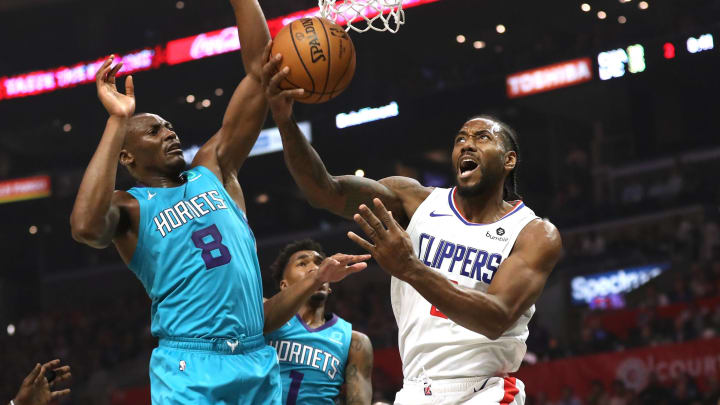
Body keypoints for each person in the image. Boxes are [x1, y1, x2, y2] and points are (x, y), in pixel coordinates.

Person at [69, 1, 369, 403]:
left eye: (170, 127)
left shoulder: (213, 170)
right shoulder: (130, 207)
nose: (169, 132)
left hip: (255, 358)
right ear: (127, 157)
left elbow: (259, 72)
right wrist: (118, 120)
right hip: (190, 365)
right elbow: (85, 227)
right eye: (155, 131)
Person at [261, 54, 563, 404]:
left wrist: (410, 268)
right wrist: (285, 122)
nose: (467, 144)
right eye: (460, 139)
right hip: (416, 390)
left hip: (484, 390)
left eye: (482, 138)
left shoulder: (534, 233)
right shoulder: (413, 201)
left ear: (509, 160)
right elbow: (323, 190)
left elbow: (496, 317)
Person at [265, 239, 373, 405]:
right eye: (302, 264)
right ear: (284, 286)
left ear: (329, 285)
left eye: (319, 264)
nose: (315, 269)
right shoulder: (261, 313)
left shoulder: (354, 342)